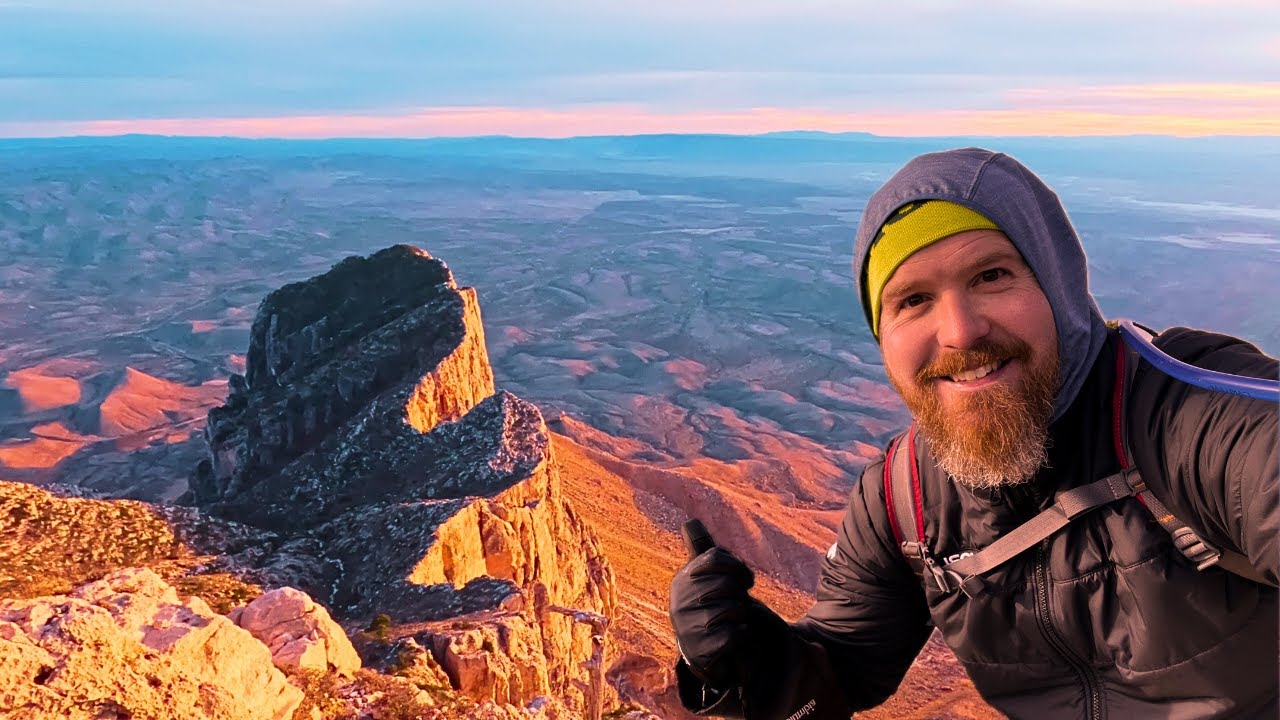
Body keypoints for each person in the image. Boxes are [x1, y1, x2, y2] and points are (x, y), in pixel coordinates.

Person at [668, 147, 1278, 719]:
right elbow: (840, 670)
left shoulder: (1189, 413)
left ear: (1059, 287)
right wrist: (748, 663)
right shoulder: (901, 497)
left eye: (991, 276)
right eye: (913, 300)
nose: (960, 331)